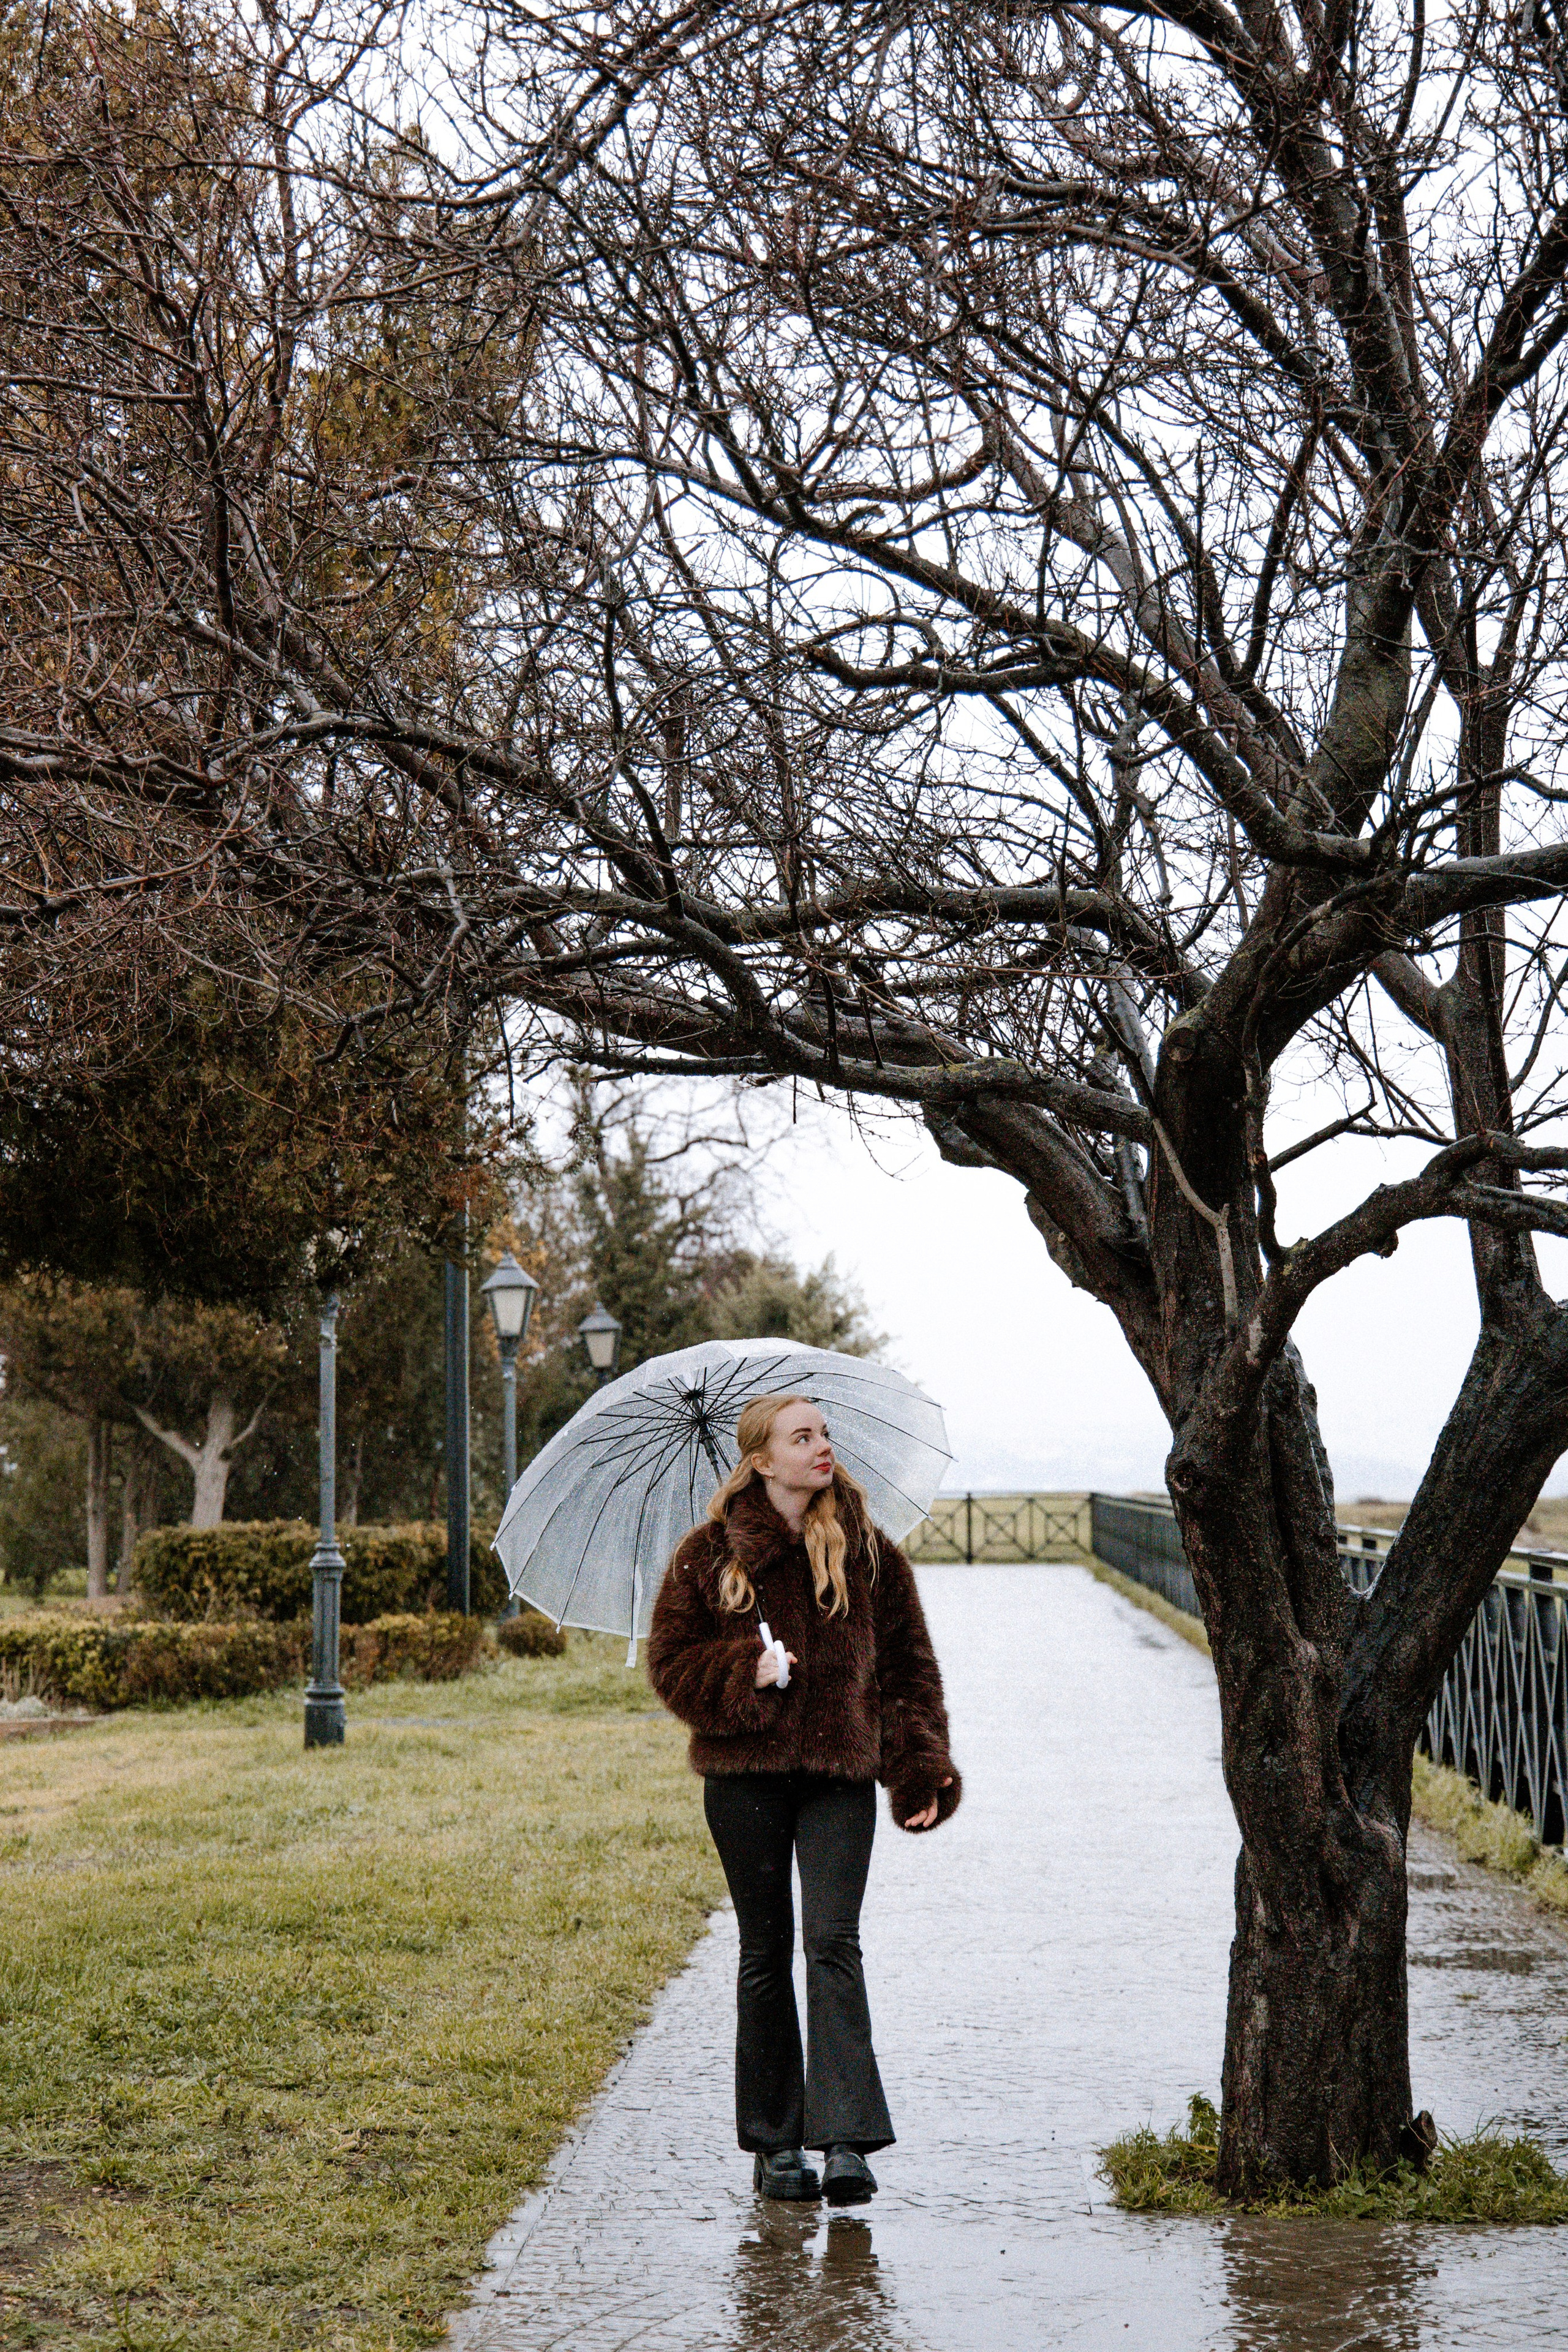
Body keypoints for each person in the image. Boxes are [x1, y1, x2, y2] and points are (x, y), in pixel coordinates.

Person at [647, 1390, 961, 2207]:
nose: (823, 1447)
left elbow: (909, 1673)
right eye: (803, 1436)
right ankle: (775, 2144)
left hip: (838, 1779)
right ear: (761, 1459)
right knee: (764, 1951)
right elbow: (671, 1667)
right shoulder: (707, 1556)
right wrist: (739, 1673)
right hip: (743, 1780)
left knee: (832, 1942)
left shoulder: (867, 1554)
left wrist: (919, 1771)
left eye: (823, 1433)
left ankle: (848, 2141)